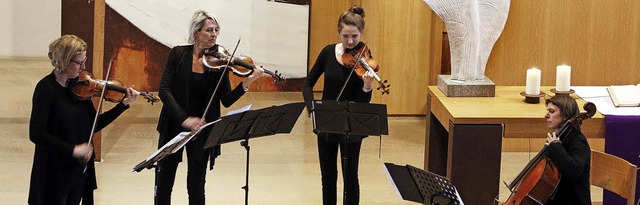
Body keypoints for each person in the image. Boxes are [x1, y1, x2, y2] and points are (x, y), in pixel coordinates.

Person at [154, 10, 264, 205]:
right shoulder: (178, 54)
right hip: (173, 125)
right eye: (209, 30)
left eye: (216, 30)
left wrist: (247, 83)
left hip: (202, 129)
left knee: (196, 187)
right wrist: (184, 119)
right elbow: (164, 90)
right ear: (196, 33)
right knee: (163, 184)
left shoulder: (219, 63)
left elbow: (226, 100)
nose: (214, 34)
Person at [28, 34, 139, 205]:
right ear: (65, 61)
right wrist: (73, 149)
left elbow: (95, 124)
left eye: (84, 61)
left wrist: (123, 105)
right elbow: (36, 134)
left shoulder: (80, 89)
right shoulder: (46, 89)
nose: (84, 67)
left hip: (77, 171)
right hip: (53, 172)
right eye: (80, 62)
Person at [302, 6, 376, 205]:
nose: (351, 42)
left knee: (351, 177)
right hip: (326, 122)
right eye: (346, 36)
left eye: (355, 36)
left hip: (351, 126)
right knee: (328, 177)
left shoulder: (364, 57)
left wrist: (367, 87)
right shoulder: (327, 52)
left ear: (361, 33)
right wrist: (312, 108)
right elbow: (307, 83)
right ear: (338, 33)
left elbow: (362, 103)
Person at [543, 95, 591, 204]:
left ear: (565, 116)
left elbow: (574, 170)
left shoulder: (578, 141)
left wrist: (556, 147)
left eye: (552, 111)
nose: (546, 115)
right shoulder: (558, 136)